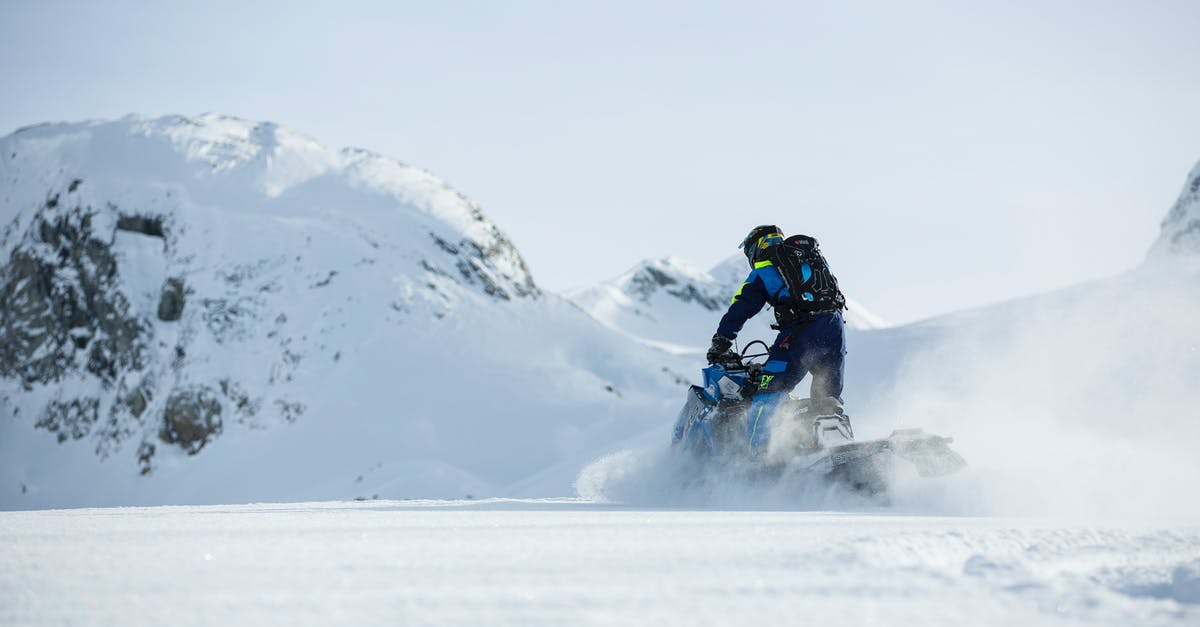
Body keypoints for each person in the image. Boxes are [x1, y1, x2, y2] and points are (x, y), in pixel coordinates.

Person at [705, 224, 847, 450]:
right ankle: (831, 449)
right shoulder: (811, 261)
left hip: (803, 330)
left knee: (769, 390)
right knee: (827, 399)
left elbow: (740, 308)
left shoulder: (764, 269)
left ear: (756, 248)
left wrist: (721, 341)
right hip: (835, 328)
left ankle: (761, 456)